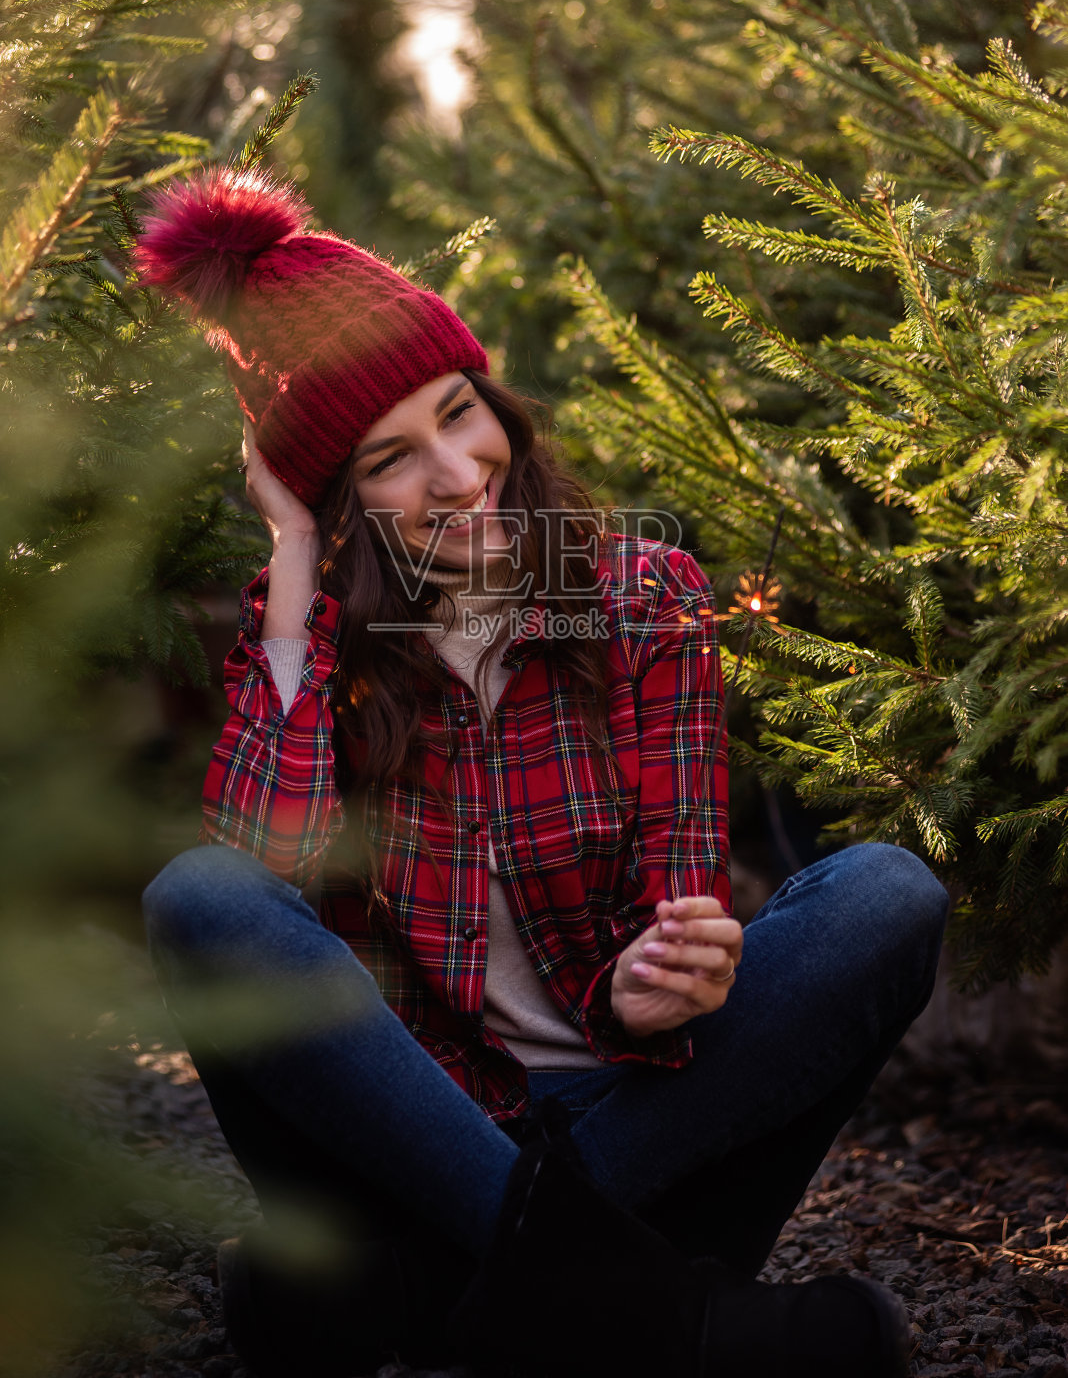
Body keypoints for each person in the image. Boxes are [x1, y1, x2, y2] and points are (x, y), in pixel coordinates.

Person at [136, 166, 949, 1378]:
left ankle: (419, 1298)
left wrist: (664, 977)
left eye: (459, 412)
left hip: (639, 1118)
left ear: (496, 402)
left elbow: (675, 896)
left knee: (888, 894)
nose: (460, 474)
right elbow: (268, 876)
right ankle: (668, 1321)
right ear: (336, 504)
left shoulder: (641, 596)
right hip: (414, 1138)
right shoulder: (309, 634)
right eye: (386, 461)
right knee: (199, 896)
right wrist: (294, 558)